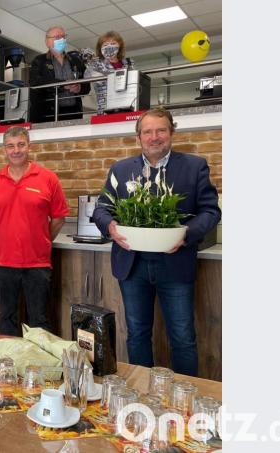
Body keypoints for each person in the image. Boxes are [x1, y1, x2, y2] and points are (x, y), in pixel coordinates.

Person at [92, 108, 221, 377]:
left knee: (182, 337)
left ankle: (186, 399)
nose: (154, 137)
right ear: (138, 137)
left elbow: (211, 211)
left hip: (175, 262)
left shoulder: (194, 166)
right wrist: (110, 227)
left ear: (171, 133)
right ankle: (141, 392)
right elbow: (102, 209)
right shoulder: (120, 169)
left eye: (161, 130)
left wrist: (185, 233)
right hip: (132, 264)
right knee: (137, 333)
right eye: (147, 131)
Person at [0, 126, 69, 335]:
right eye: (10, 146)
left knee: (38, 321)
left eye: (21, 144)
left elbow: (59, 218)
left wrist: (40, 239)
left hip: (37, 263)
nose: (16, 150)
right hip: (3, 263)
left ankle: (37, 368)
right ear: (4, 149)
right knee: (6, 318)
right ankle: (9, 367)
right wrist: (6, 236)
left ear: (29, 146)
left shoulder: (48, 178)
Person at [29, 26, 91, 121]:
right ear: (47, 41)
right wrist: (63, 85)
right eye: (57, 37)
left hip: (74, 114)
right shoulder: (39, 61)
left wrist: (80, 87)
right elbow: (35, 83)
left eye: (63, 37)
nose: (61, 40)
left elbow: (87, 85)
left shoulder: (76, 61)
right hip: (47, 115)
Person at [84, 31, 134, 115]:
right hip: (106, 108)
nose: (109, 47)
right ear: (100, 48)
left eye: (113, 43)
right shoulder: (96, 64)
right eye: (105, 45)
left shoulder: (128, 63)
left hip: (127, 106)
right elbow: (87, 78)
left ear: (119, 45)